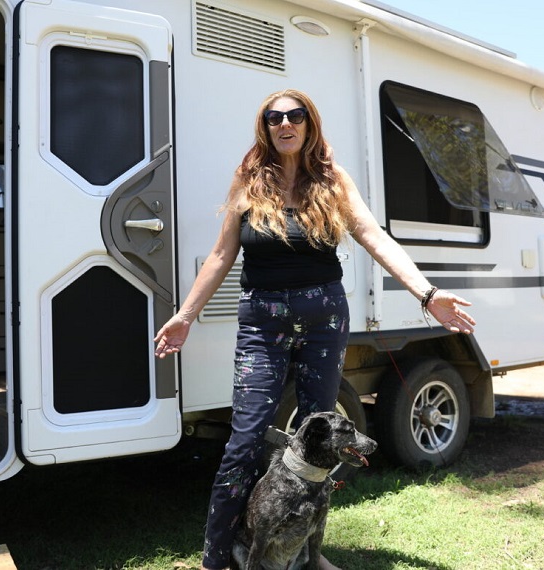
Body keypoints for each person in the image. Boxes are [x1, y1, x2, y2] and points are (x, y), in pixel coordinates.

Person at [154, 89, 476, 570]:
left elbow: (372, 235)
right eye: (274, 117)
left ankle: (310, 553)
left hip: (324, 318)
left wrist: (426, 293)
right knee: (244, 439)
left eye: (295, 115)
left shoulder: (331, 179)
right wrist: (185, 315)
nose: (285, 124)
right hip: (262, 322)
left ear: (309, 123)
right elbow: (223, 255)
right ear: (264, 127)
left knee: (319, 437)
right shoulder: (248, 180)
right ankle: (215, 559)